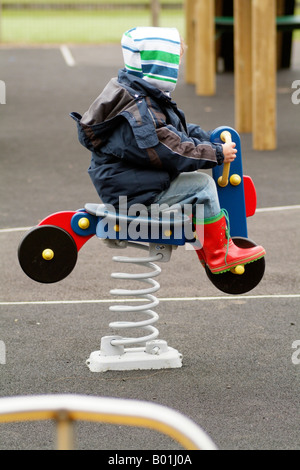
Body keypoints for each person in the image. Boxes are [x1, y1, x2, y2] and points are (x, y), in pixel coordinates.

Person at [71, 26, 265, 275]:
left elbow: (176, 132)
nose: (177, 70)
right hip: (134, 195)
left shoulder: (137, 94)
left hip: (129, 184)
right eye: (175, 62)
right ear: (160, 65)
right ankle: (219, 254)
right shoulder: (140, 111)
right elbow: (170, 150)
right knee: (202, 187)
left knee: (195, 185)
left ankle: (211, 249)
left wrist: (209, 139)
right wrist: (216, 153)